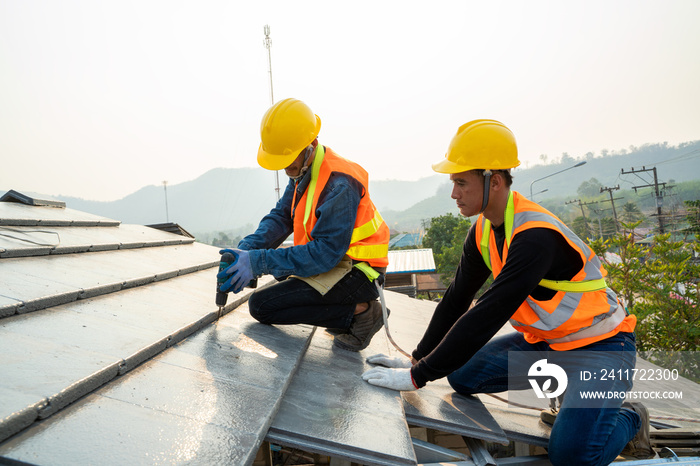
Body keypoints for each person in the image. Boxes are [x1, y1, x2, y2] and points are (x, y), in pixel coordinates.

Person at [361, 120, 654, 464]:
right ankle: (569, 394)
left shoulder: (534, 236)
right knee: (459, 375)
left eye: (460, 183)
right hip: (548, 345)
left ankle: (632, 416)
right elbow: (456, 300)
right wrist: (417, 359)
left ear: (494, 181)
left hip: (602, 350)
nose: (454, 193)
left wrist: (416, 378)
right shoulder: (483, 232)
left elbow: (488, 312)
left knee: (572, 456)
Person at [217, 98, 390, 352]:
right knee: (263, 304)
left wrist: (258, 262)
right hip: (337, 264)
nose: (285, 167)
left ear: (308, 145)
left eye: (288, 158)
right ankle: (343, 312)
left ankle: (362, 311)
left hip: (361, 273)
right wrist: (246, 250)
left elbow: (325, 254)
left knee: (262, 306)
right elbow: (282, 217)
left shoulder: (340, 183)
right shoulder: (304, 170)